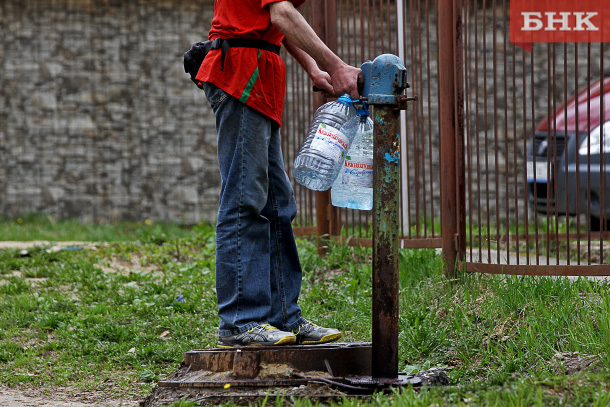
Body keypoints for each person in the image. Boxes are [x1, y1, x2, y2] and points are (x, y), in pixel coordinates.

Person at [195, 0, 361, 348]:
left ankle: (284, 316)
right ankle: (241, 321)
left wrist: (314, 68)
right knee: (245, 199)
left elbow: (278, 24)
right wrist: (337, 65)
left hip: (261, 77)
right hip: (241, 74)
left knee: (278, 204)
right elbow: (281, 14)